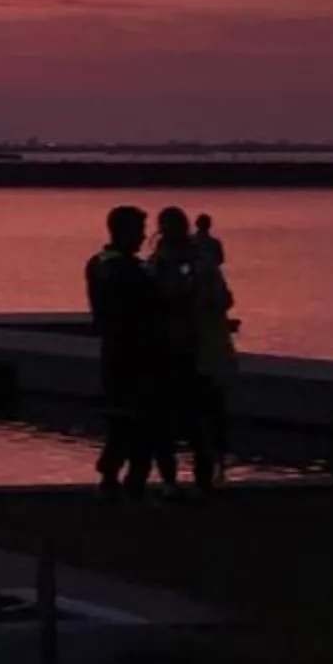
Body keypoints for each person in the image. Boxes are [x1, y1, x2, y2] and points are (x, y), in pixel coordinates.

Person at [85, 205, 160, 498]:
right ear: (126, 232)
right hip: (135, 352)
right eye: (139, 232)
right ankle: (131, 481)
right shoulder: (129, 269)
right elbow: (152, 300)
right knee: (141, 420)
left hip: (114, 350)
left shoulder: (98, 263)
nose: (143, 238)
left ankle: (111, 475)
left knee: (121, 419)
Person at [141, 207, 201, 488]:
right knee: (164, 422)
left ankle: (198, 481)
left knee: (191, 420)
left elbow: (185, 292)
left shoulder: (192, 259)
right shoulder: (158, 258)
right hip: (162, 346)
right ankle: (170, 481)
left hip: (186, 345)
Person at [180, 215, 239, 493]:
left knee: (208, 407)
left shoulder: (196, 257)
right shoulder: (206, 260)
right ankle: (214, 461)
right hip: (203, 350)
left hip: (203, 349)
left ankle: (210, 462)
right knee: (211, 406)